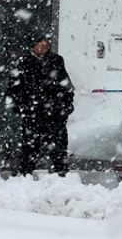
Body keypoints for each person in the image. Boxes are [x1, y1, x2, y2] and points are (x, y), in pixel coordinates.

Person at [7, 33, 74, 176]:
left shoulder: (56, 61)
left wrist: (65, 107)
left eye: (45, 40)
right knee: (30, 151)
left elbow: (66, 87)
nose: (44, 44)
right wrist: (24, 109)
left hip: (55, 116)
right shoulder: (23, 63)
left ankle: (62, 178)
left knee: (59, 151)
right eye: (40, 41)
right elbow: (14, 90)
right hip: (33, 115)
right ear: (33, 45)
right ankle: (25, 178)